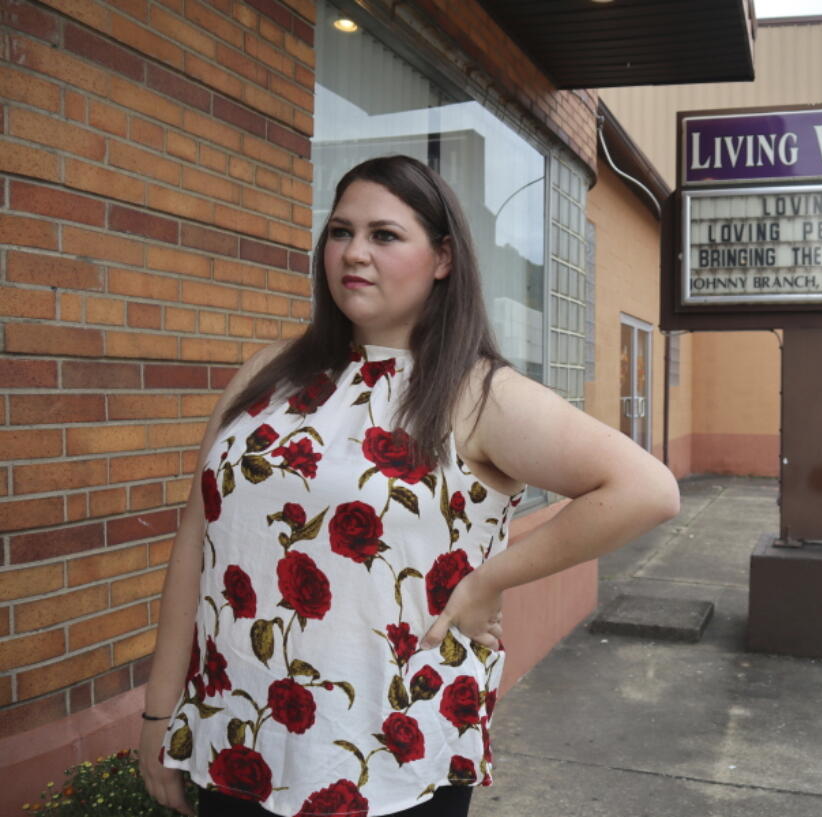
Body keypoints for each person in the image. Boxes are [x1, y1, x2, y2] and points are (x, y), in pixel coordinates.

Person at [138, 155, 681, 817]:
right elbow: (197, 537)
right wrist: (159, 712)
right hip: (239, 735)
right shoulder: (267, 375)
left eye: (384, 235)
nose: (353, 253)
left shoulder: (474, 393)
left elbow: (645, 488)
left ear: (443, 258)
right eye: (340, 232)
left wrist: (490, 579)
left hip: (388, 760)